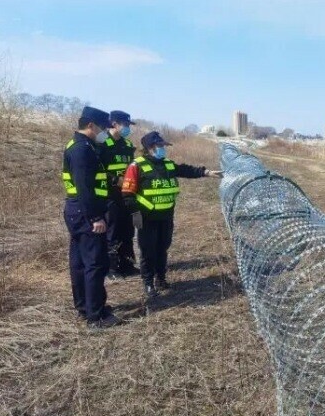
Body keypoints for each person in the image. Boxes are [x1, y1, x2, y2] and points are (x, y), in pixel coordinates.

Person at [121, 131, 223, 297]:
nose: (163, 149)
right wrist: (136, 214)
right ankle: (148, 284)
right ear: (150, 148)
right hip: (146, 218)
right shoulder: (136, 166)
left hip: (166, 217)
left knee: (162, 249)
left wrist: (206, 172)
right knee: (148, 251)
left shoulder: (167, 164)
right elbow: (127, 194)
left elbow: (185, 170)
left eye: (164, 146)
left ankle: (161, 279)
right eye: (160, 146)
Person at [62, 106, 121, 328]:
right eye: (103, 128)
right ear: (91, 126)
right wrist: (96, 217)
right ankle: (96, 316)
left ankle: (85, 307)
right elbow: (85, 187)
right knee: (95, 263)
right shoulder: (82, 150)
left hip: (77, 210)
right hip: (85, 211)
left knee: (79, 262)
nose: (105, 132)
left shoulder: (82, 145)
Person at [97, 110, 138, 281]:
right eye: (126, 125)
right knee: (112, 231)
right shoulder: (101, 143)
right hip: (109, 194)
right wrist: (115, 180)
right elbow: (96, 170)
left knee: (127, 229)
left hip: (126, 193)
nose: (128, 128)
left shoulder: (127, 145)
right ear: (114, 124)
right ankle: (112, 268)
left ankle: (127, 264)